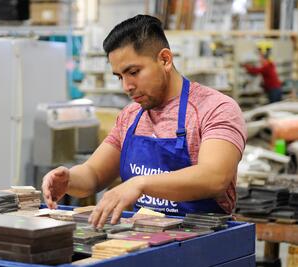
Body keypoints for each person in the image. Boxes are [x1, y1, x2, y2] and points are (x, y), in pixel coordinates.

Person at [42, 15, 247, 229]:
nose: (126, 86)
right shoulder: (131, 116)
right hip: (143, 239)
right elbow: (93, 174)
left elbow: (214, 178)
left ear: (165, 60)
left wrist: (140, 184)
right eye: (120, 76)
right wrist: (68, 179)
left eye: (133, 72)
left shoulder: (215, 108)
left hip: (203, 242)